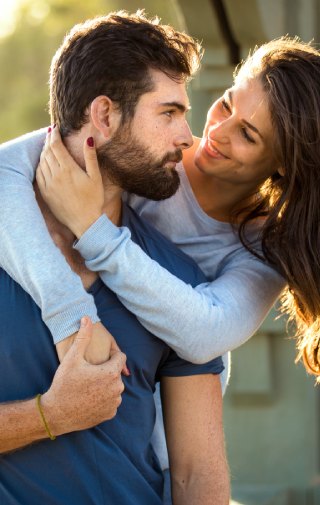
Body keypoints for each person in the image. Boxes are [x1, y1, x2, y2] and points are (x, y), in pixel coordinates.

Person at [0, 11, 230, 505]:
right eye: (168, 113)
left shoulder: (178, 281)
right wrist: (50, 415)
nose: (187, 138)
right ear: (104, 116)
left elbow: (197, 472)